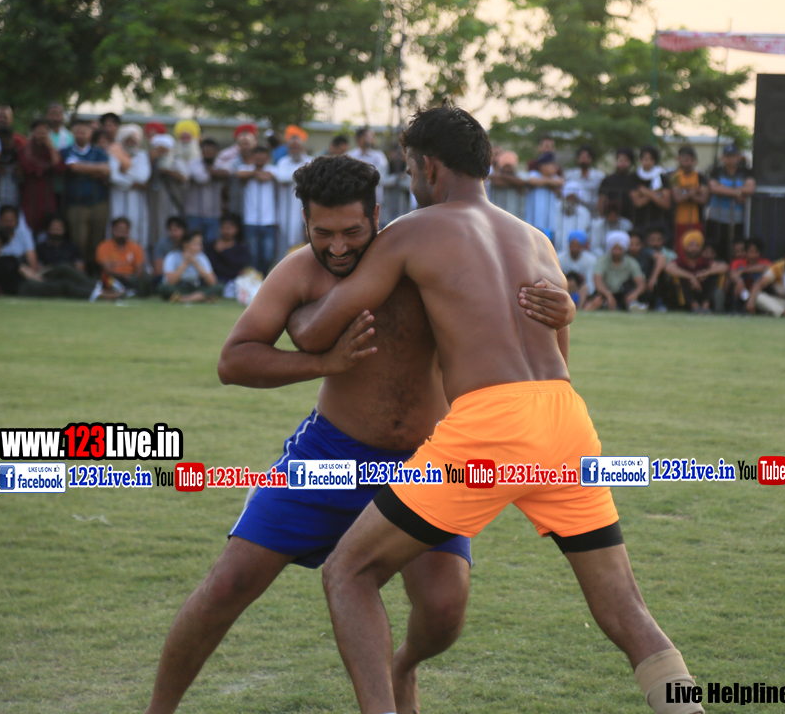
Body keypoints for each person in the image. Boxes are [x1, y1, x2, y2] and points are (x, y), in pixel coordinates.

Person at [285, 105, 701, 714]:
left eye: (409, 169)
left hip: (489, 424)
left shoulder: (412, 230)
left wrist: (297, 316)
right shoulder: (536, 239)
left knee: (348, 571)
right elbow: (559, 347)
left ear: (430, 167)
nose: (409, 182)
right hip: (565, 418)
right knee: (626, 610)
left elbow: (322, 328)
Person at [145, 152, 571, 714]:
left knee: (443, 612)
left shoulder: (421, 257)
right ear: (305, 221)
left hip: (425, 463)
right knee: (227, 585)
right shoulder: (299, 270)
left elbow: (511, 305)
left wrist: (563, 307)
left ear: (375, 214)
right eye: (323, 233)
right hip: (328, 453)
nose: (338, 247)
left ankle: (403, 666)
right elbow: (234, 360)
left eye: (351, 231)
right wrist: (323, 364)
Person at [61, 118, 111, 271]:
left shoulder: (98, 151)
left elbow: (106, 170)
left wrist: (83, 167)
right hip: (76, 204)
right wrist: (95, 169)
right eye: (77, 131)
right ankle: (80, 273)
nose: (80, 134)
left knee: (97, 240)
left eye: (84, 131)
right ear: (72, 133)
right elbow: (73, 168)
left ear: (90, 133)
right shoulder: (66, 151)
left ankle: (95, 273)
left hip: (99, 203)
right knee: (79, 241)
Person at [706, 144, 755, 259]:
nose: (730, 159)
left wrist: (724, 190)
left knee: (737, 250)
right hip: (716, 220)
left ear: (738, 157)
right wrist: (737, 193)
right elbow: (714, 188)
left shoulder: (746, 172)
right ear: (723, 158)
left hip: (738, 220)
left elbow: (750, 188)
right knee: (717, 249)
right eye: (727, 156)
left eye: (733, 156)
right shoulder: (716, 171)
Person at [238, 145, 279, 273]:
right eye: (257, 156)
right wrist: (255, 172)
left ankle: (265, 278)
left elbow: (266, 177)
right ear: (252, 157)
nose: (260, 159)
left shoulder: (273, 169)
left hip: (269, 220)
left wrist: (255, 174)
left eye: (263, 156)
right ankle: (254, 280)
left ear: (267, 158)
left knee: (268, 255)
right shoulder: (245, 168)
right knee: (253, 255)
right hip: (250, 220)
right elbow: (239, 174)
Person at [109, 124, 152, 246]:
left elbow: (143, 177)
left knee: (137, 226)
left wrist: (125, 170)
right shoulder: (115, 153)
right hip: (118, 198)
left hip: (137, 200)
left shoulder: (142, 155)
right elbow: (114, 177)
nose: (131, 142)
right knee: (117, 225)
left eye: (134, 139)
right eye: (128, 139)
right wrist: (133, 182)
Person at [666, 229, 726, 313]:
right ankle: (694, 306)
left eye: (697, 246)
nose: (694, 248)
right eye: (691, 245)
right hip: (685, 296)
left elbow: (724, 267)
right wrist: (691, 276)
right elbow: (669, 268)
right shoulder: (681, 261)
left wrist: (705, 273)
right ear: (685, 247)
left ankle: (706, 306)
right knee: (676, 278)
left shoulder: (704, 261)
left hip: (702, 292)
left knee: (717, 275)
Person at [18, 119, 62, 232]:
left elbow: (58, 167)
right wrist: (43, 169)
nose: (41, 135)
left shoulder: (52, 150)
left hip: (48, 192)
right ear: (32, 132)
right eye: (38, 132)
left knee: (48, 221)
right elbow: (28, 168)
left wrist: (51, 147)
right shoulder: (25, 149)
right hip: (30, 191)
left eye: (44, 132)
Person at [275, 126, 314, 251]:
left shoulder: (311, 162)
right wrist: (302, 174)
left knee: (303, 246)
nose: (295, 149)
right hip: (284, 211)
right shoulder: (282, 162)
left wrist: (293, 175)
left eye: (297, 146)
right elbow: (281, 177)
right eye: (292, 147)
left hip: (303, 209)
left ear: (303, 146)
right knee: (283, 246)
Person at [587, 230, 646, 311]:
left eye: (620, 249)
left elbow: (641, 284)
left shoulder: (631, 262)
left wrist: (634, 294)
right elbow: (598, 282)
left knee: (629, 287)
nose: (617, 252)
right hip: (606, 292)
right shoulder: (601, 261)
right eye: (615, 248)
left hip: (623, 294)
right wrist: (609, 296)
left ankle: (632, 304)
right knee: (597, 298)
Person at [158, 230, 223, 302]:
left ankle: (183, 299)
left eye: (200, 244)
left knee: (219, 287)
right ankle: (200, 298)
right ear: (185, 244)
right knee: (163, 288)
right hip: (179, 287)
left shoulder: (201, 257)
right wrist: (185, 263)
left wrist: (196, 264)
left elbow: (213, 282)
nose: (199, 247)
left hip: (195, 288)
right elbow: (170, 282)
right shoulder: (173, 256)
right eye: (196, 244)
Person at [669, 145, 709, 254]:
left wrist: (685, 193)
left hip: (696, 220)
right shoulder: (675, 177)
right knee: (680, 248)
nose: (687, 163)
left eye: (690, 160)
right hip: (679, 221)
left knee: (696, 247)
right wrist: (693, 192)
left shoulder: (701, 177)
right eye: (684, 159)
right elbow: (677, 198)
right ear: (679, 159)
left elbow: (703, 199)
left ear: (695, 161)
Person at [186, 138, 226, 243]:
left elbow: (228, 173)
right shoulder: (193, 163)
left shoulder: (221, 164)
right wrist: (214, 173)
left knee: (211, 246)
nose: (208, 154)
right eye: (205, 151)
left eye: (211, 151)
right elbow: (202, 178)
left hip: (214, 215)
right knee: (193, 245)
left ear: (216, 152)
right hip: (194, 214)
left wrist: (209, 171)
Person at [204, 213, 252, 290]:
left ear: (236, 230)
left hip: (234, 281)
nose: (226, 231)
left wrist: (223, 253)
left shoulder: (241, 247)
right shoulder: (210, 246)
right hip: (215, 280)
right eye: (223, 228)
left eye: (229, 228)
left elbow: (239, 265)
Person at [630, 145, 671, 232]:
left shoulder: (662, 177)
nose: (648, 162)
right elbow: (638, 203)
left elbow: (666, 203)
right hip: (640, 221)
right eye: (645, 159)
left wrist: (646, 192)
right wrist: (656, 193)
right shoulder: (634, 177)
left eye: (651, 159)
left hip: (658, 221)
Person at [597, 146, 638, 222]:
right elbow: (601, 201)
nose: (622, 164)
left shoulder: (635, 179)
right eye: (620, 160)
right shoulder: (608, 180)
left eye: (626, 161)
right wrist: (603, 218)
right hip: (611, 220)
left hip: (631, 220)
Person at [558, 230, 598, 307]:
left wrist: (581, 290)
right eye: (572, 245)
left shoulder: (590, 260)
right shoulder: (560, 258)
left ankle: (579, 308)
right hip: (566, 289)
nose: (574, 249)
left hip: (581, 291)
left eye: (577, 246)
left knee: (585, 288)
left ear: (582, 246)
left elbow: (590, 282)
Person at [485, 150, 527, 219]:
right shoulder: (495, 177)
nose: (507, 169)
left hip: (516, 215)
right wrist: (511, 181)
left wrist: (504, 177)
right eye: (505, 166)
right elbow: (498, 183)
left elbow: (521, 182)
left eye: (509, 166)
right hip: (498, 215)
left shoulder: (519, 176)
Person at [563, 144, 603, 212]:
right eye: (581, 156)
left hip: (592, 212)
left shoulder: (599, 177)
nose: (583, 159)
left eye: (586, 157)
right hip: (574, 211)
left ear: (591, 159)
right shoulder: (570, 175)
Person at [152, 216, 187, 281]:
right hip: (167, 278)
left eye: (176, 230)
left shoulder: (191, 244)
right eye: (171, 230)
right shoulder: (162, 245)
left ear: (183, 230)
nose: (173, 234)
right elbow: (158, 270)